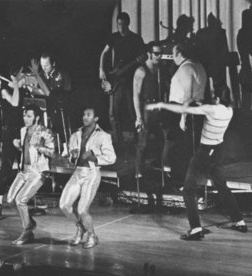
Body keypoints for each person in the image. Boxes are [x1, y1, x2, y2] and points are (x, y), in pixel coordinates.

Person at [146, 87, 247, 240]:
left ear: (217, 99)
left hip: (205, 153)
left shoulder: (211, 109)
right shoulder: (229, 110)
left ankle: (195, 229)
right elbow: (207, 107)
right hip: (218, 152)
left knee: (188, 190)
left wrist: (161, 104)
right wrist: (198, 103)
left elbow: (183, 109)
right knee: (222, 186)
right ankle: (239, 221)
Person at [59, 106, 116, 249]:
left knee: (82, 210)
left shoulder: (103, 136)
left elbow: (111, 158)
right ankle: (80, 227)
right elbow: (68, 155)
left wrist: (94, 157)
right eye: (84, 114)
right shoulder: (76, 134)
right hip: (77, 173)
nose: (85, 117)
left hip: (92, 174)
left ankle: (92, 235)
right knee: (64, 205)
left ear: (96, 118)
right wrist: (71, 156)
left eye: (89, 115)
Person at [6, 104, 55, 245]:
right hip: (24, 170)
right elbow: (26, 150)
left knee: (21, 200)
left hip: (38, 172)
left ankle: (27, 231)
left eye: (29, 116)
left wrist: (38, 146)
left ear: (37, 117)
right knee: (10, 200)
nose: (25, 119)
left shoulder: (45, 132)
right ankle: (29, 223)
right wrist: (19, 146)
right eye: (24, 116)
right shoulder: (23, 130)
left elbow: (52, 152)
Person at [132, 41, 171, 210]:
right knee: (143, 142)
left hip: (159, 106)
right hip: (146, 107)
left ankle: (164, 170)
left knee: (165, 139)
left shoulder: (161, 70)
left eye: (160, 53)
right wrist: (139, 117)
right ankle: (138, 172)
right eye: (156, 53)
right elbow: (136, 95)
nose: (159, 56)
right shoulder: (141, 71)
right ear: (149, 53)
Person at [99, 12, 145, 144]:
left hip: (131, 81)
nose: (121, 27)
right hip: (116, 80)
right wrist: (101, 69)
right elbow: (104, 53)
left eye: (124, 24)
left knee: (133, 112)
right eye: (119, 24)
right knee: (112, 113)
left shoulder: (136, 39)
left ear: (128, 24)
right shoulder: (114, 37)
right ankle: (118, 141)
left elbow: (143, 58)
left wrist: (139, 62)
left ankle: (138, 141)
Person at [168, 41, 207, 187]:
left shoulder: (186, 68)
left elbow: (188, 95)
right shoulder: (198, 65)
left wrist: (182, 118)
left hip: (184, 110)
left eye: (173, 53)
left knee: (181, 149)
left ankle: (180, 182)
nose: (172, 56)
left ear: (179, 53)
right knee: (190, 147)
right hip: (195, 110)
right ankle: (189, 181)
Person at [0, 69, 25, 219]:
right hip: (9, 133)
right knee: (5, 169)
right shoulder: (4, 90)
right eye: (21, 76)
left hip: (22, 132)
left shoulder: (21, 90)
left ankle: (25, 201)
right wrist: (17, 86)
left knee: (24, 167)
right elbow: (15, 103)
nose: (23, 79)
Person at [28, 53, 71, 155]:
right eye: (42, 66)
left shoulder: (61, 74)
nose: (44, 68)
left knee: (57, 118)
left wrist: (37, 90)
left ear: (53, 64)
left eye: (46, 65)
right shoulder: (42, 75)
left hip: (61, 103)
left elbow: (51, 93)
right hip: (46, 104)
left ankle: (65, 145)